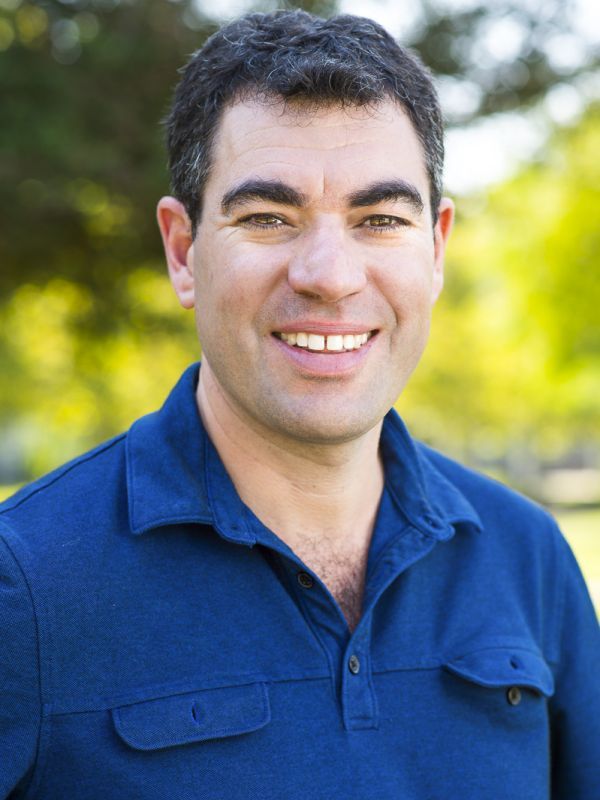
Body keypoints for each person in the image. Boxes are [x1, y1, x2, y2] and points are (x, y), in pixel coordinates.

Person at [1, 9, 598, 799]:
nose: (329, 275)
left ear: (436, 249)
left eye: (379, 219)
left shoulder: (528, 558)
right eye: (268, 219)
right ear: (183, 251)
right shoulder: (25, 585)